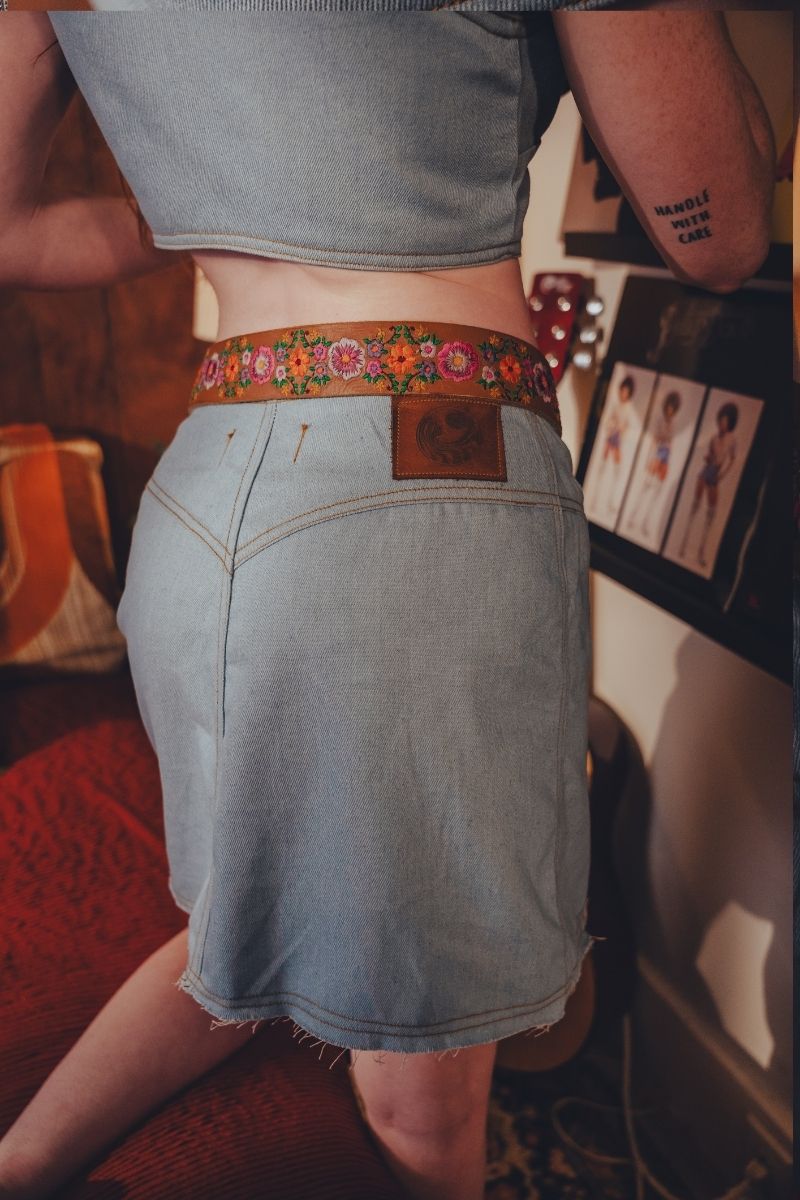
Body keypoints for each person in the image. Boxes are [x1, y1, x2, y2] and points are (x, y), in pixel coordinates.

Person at [0, 9, 774, 1200]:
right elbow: (718, 234)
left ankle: (22, 1161)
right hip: (418, 487)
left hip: (207, 486)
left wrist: (212, 212)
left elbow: (9, 230)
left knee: (237, 925)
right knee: (428, 1088)